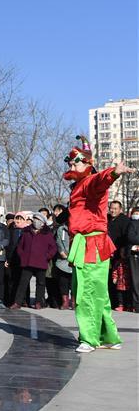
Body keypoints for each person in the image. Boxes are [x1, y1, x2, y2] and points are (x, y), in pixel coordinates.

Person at [64, 136, 132, 353]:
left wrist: (113, 172)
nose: (72, 165)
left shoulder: (90, 183)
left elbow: (100, 180)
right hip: (85, 243)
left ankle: (89, 339)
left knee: (86, 292)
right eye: (71, 163)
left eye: (76, 162)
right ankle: (109, 336)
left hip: (92, 244)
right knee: (98, 293)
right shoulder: (77, 187)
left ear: (88, 164)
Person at [15, 214, 57, 309]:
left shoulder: (47, 233)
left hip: (41, 262)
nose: (35, 221)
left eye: (38, 219)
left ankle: (39, 302)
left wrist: (47, 256)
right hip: (27, 261)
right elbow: (20, 246)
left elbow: (53, 248)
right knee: (23, 282)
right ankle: (18, 302)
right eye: (34, 219)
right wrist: (22, 255)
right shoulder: (26, 232)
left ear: (42, 223)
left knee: (41, 283)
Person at [107, 200, 130, 311]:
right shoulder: (107, 219)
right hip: (107, 253)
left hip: (119, 254)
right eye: (111, 208)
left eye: (115, 208)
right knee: (109, 279)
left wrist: (123, 251)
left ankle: (122, 303)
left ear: (120, 209)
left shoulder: (124, 220)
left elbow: (126, 237)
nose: (113, 210)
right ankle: (110, 302)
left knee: (120, 280)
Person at [5, 213, 27, 306]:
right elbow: (7, 245)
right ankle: (11, 300)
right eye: (17, 218)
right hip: (11, 259)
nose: (18, 220)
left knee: (23, 281)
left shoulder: (27, 231)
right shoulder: (10, 230)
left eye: (20, 219)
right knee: (11, 280)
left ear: (24, 220)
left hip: (23, 260)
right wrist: (6, 259)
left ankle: (23, 300)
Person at [53, 208, 73, 310]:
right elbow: (58, 242)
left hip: (75, 260)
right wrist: (61, 252)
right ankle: (65, 301)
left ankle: (74, 301)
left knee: (74, 282)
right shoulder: (61, 229)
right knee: (63, 282)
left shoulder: (79, 230)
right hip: (63, 259)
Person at [126, 207, 139, 312]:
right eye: (135, 213)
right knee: (135, 280)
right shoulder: (131, 223)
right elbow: (130, 237)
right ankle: (136, 304)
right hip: (133, 254)